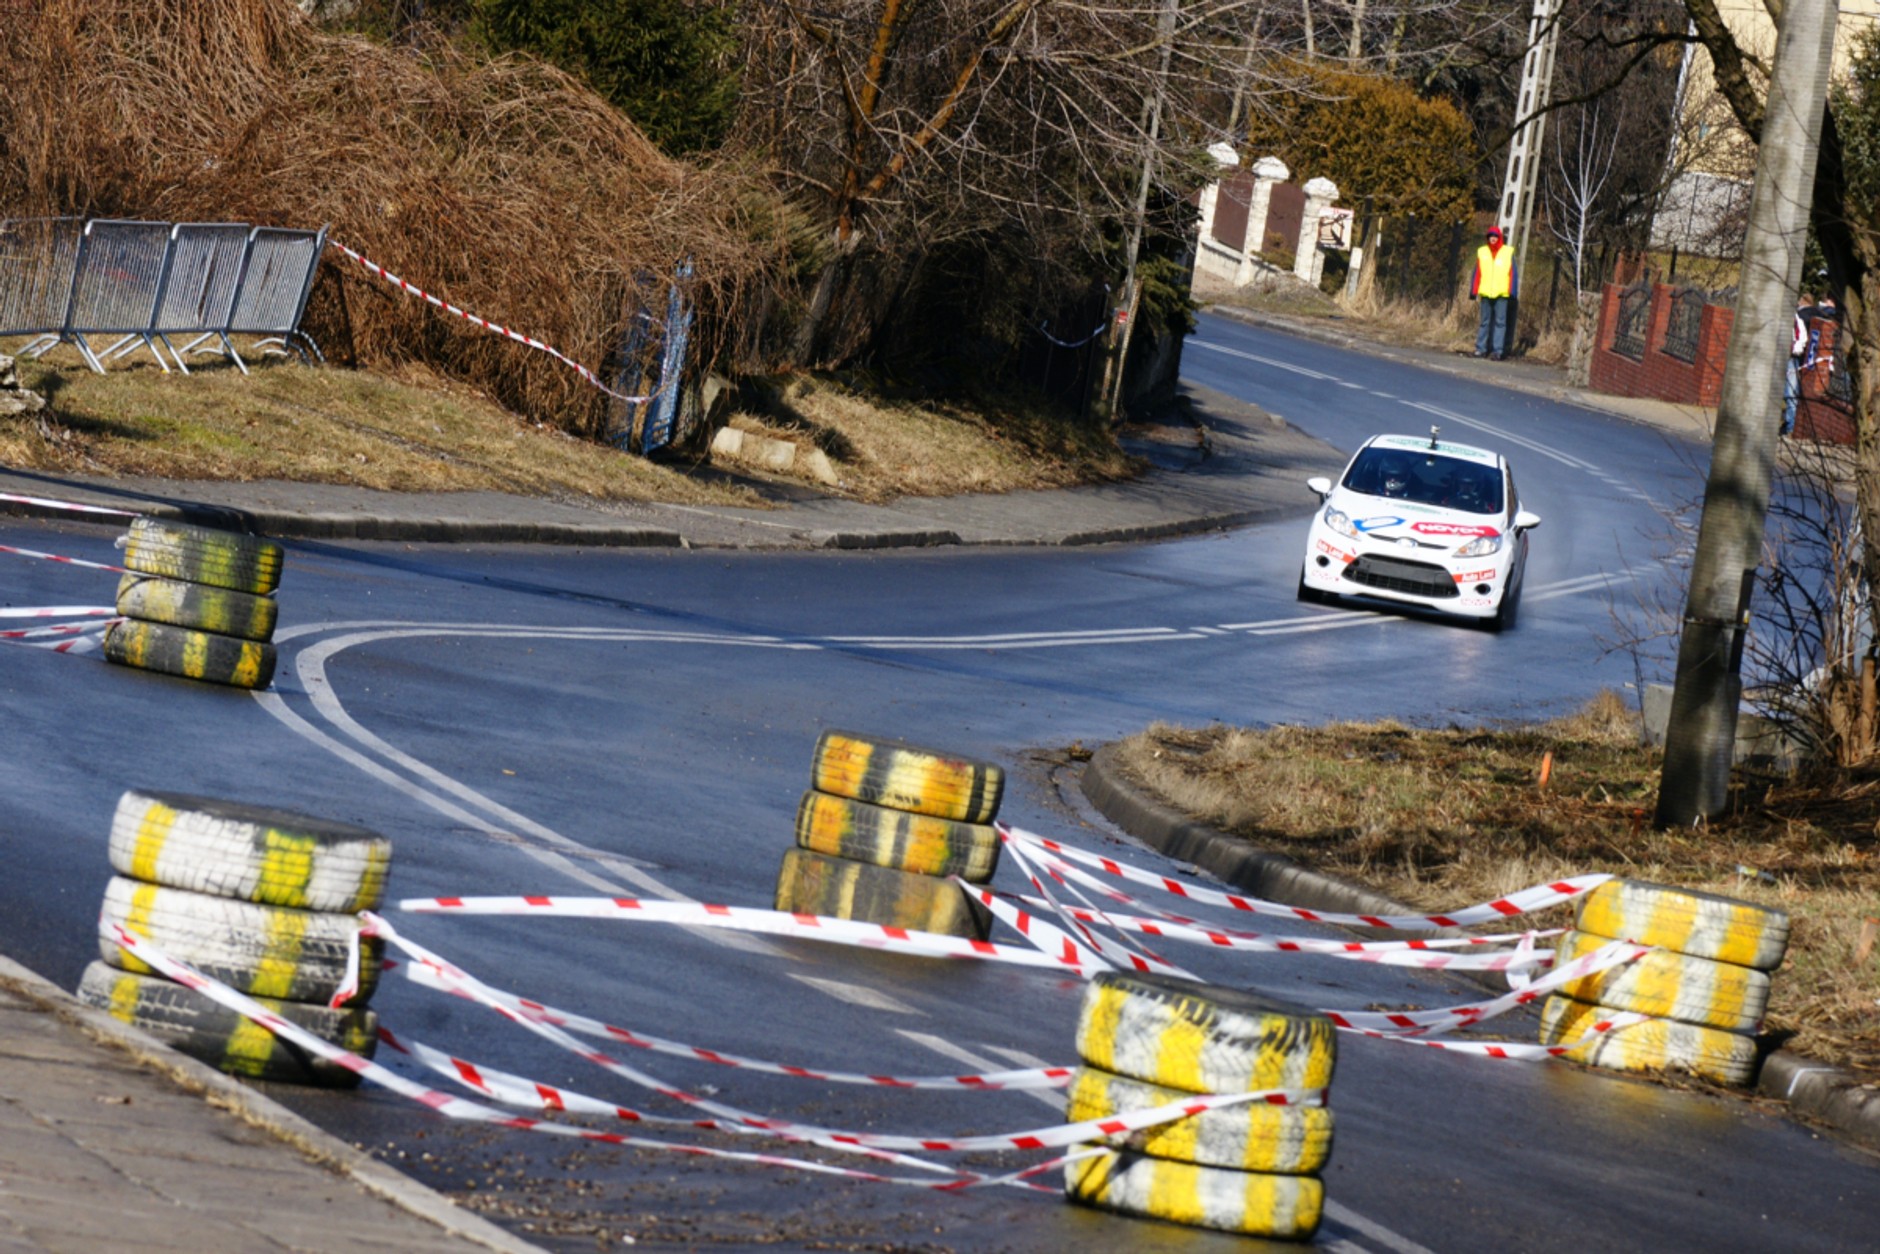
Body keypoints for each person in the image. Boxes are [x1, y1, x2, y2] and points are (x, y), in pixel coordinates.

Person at [1470, 226, 1517, 360]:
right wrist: (1473, 291)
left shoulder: (1507, 252)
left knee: (1500, 323)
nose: (1493, 238)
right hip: (1485, 293)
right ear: (1487, 237)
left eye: (1495, 236)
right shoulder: (1482, 252)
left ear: (1500, 237)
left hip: (1501, 294)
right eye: (1491, 236)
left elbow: (1513, 274)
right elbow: (1477, 273)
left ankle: (1497, 351)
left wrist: (1512, 291)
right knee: (1484, 322)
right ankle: (1481, 349)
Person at [1783, 293, 1811, 437]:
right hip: (1781, 356)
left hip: (1790, 357)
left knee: (1791, 392)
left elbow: (1802, 337)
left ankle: (1790, 426)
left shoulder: (1795, 317)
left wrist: (1795, 350)